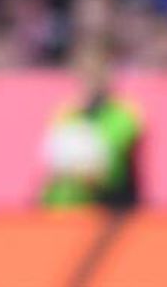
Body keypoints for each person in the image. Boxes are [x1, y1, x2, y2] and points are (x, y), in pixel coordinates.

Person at [42, 41, 141, 209]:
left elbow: (107, 167)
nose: (92, 76)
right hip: (63, 211)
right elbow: (52, 166)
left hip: (108, 207)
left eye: (98, 69)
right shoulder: (65, 114)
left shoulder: (125, 115)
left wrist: (79, 167)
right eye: (86, 70)